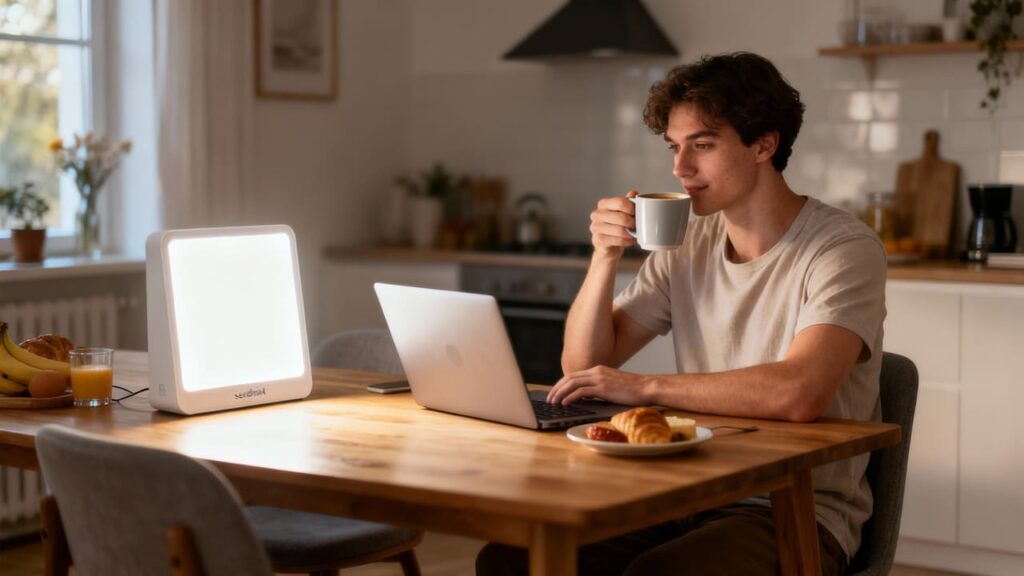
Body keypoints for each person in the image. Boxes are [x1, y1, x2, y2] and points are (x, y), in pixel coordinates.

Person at [476, 52, 886, 576]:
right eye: (675, 147)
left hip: (792, 509)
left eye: (703, 145)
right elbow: (583, 366)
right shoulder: (686, 242)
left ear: (764, 144)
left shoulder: (842, 248)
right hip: (684, 490)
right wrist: (604, 258)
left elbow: (798, 392)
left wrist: (645, 388)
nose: (679, 168)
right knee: (511, 561)